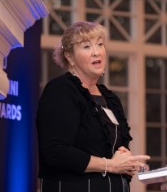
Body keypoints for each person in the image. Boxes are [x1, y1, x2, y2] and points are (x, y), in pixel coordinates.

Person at [36, 21, 150, 192]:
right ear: (69, 56)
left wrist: (128, 164)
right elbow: (55, 152)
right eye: (87, 46)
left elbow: (115, 151)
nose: (97, 52)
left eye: (100, 44)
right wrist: (110, 165)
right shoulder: (61, 90)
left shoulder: (110, 99)